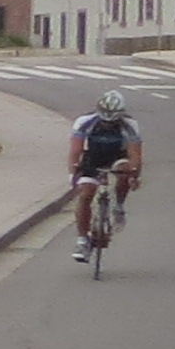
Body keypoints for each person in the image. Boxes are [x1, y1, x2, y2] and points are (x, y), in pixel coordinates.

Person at [69, 89, 142, 261]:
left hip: (118, 156)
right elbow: (75, 151)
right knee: (86, 194)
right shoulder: (85, 121)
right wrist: (73, 174)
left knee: (125, 170)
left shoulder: (130, 124)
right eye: (105, 117)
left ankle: (119, 206)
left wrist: (134, 175)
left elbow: (135, 155)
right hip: (93, 156)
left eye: (113, 118)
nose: (108, 122)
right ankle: (82, 240)